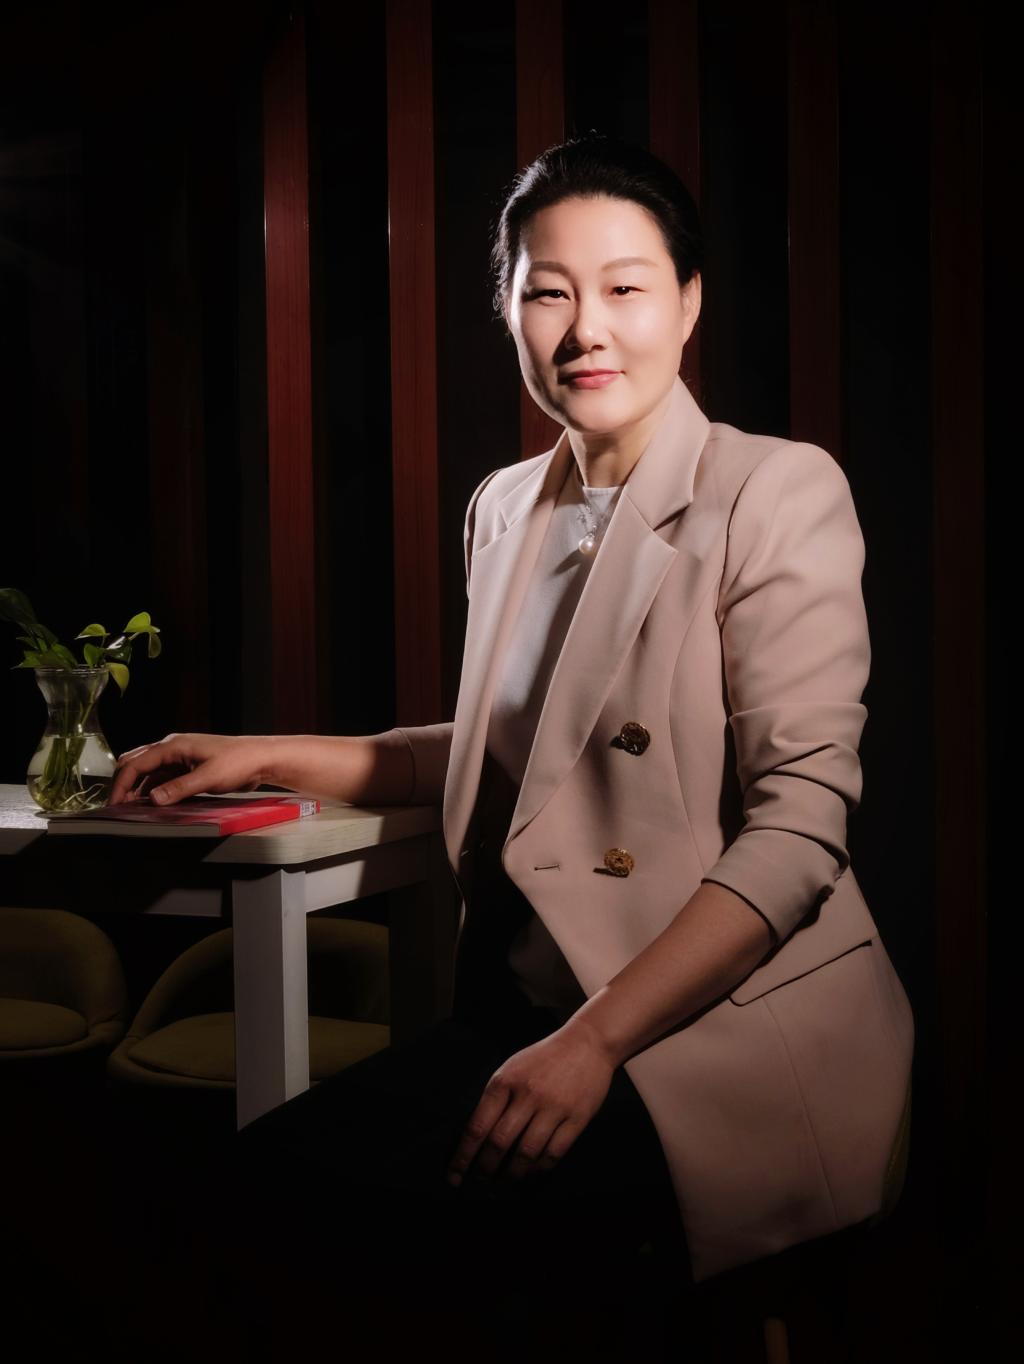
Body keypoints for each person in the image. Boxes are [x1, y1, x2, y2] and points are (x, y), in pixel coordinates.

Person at [108, 132, 914, 1360]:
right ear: (507, 312)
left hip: (720, 1035)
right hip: (530, 1012)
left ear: (688, 303)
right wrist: (261, 752)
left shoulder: (775, 490)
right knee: (253, 1192)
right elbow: (515, 754)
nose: (586, 328)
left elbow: (800, 828)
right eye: (547, 292)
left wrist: (593, 1043)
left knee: (467, 1268)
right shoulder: (505, 506)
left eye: (625, 286)